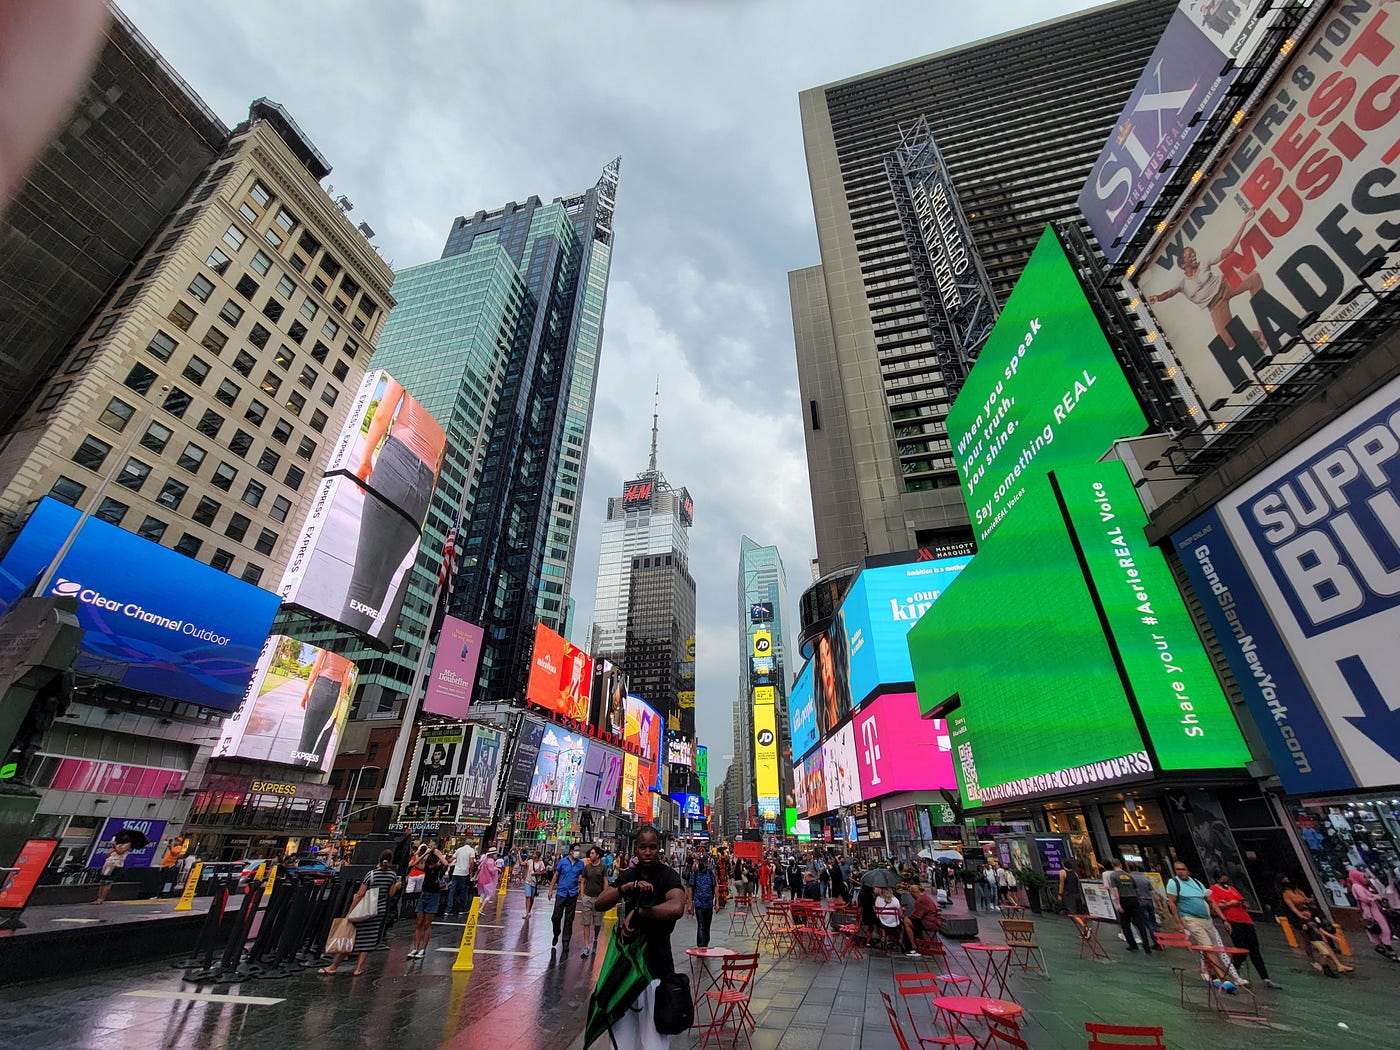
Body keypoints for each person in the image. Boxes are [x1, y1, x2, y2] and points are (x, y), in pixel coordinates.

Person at [592, 827, 686, 1050]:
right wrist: (625, 888)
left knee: (654, 1041)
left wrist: (640, 913)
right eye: (643, 847)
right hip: (624, 975)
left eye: (652, 847)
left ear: (658, 849)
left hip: (655, 972)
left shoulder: (668, 875)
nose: (647, 852)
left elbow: (677, 906)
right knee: (620, 1041)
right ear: (636, 849)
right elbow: (599, 903)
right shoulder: (628, 876)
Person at [1145, 209, 1263, 352]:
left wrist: (1244, 222)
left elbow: (1227, 251)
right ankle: (1256, 336)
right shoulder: (1182, 283)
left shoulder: (1204, 263)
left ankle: (1264, 327)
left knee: (1254, 277)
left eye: (1193, 253)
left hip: (1225, 286)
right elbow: (1169, 293)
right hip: (1215, 305)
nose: (1194, 255)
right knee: (1229, 341)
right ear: (1183, 265)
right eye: (1189, 255)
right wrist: (1157, 297)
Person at [320, 849, 401, 976]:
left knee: (350, 937)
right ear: (390, 861)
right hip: (378, 911)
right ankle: (358, 968)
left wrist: (350, 912)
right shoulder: (392, 876)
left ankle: (334, 966)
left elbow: (360, 894)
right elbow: (390, 894)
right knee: (368, 940)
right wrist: (396, 887)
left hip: (363, 910)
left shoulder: (371, 875)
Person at [1166, 860, 1243, 984]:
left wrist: (1223, 919)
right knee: (1208, 947)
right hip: (1190, 918)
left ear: (1187, 870)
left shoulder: (1196, 882)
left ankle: (1213, 976)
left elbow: (1210, 900)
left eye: (1183, 869)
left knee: (1213, 948)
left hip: (1205, 919)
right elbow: (1172, 903)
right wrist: (1179, 923)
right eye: (1178, 870)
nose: (1181, 872)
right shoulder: (1173, 883)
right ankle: (1224, 978)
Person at [1209, 872, 1281, 989]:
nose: (1225, 881)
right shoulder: (1213, 890)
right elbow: (1216, 906)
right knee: (1241, 948)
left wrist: (1241, 904)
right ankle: (1233, 968)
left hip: (1245, 920)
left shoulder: (1232, 889)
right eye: (1223, 879)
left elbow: (1241, 900)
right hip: (1232, 921)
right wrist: (1230, 904)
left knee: (1254, 949)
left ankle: (1265, 978)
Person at [1280, 876, 1353, 977]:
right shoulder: (1286, 894)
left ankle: (1338, 964)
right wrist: (1302, 917)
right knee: (1307, 940)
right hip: (1300, 919)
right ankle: (1313, 960)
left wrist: (1310, 901)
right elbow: (1292, 908)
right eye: (1285, 880)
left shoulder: (1299, 891)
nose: (1288, 881)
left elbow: (1306, 900)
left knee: (1323, 940)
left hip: (1308, 916)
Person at [1107, 858, 1155, 953]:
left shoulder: (1113, 876)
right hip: (1134, 899)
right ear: (1120, 864)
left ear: (1113, 865)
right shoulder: (1128, 875)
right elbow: (1136, 889)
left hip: (1123, 899)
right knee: (1140, 923)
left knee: (1125, 923)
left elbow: (1115, 890)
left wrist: (1118, 904)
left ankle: (1132, 945)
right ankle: (1146, 945)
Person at [1348, 867, 1397, 960]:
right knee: (1384, 930)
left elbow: (1371, 893)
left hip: (1374, 910)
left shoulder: (1361, 886)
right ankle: (1391, 952)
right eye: (1364, 877)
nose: (1366, 879)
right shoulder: (1357, 886)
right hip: (1371, 912)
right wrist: (1375, 898)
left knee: (1380, 931)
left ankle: (1384, 948)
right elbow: (1364, 898)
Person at [409, 844, 447, 959]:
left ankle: (423, 949)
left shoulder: (439, 868)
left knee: (427, 923)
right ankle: (415, 948)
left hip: (433, 895)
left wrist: (438, 854)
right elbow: (414, 864)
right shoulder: (426, 867)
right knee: (419, 922)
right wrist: (425, 853)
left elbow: (445, 864)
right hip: (424, 894)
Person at [548, 843, 586, 953]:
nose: (578, 852)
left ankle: (566, 941)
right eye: (576, 850)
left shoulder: (580, 864)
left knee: (569, 919)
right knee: (556, 917)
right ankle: (556, 933)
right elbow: (556, 875)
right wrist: (551, 889)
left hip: (572, 894)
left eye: (579, 850)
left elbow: (582, 877)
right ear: (571, 851)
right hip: (561, 892)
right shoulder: (563, 861)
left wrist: (580, 888)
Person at [579, 845, 608, 958]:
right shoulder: (587, 867)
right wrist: (582, 895)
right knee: (586, 922)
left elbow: (605, 881)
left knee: (597, 923)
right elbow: (583, 881)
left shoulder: (603, 867)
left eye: (592, 853)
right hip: (588, 897)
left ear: (597, 855)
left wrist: (605, 895)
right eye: (590, 853)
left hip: (598, 898)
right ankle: (586, 946)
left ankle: (595, 939)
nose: (590, 855)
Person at [874, 885, 919, 956]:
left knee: (881, 920)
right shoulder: (895, 900)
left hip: (882, 924)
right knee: (904, 924)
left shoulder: (878, 899)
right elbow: (900, 915)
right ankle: (900, 939)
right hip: (895, 924)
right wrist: (902, 909)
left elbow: (876, 911)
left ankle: (883, 937)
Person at [686, 853, 718, 948]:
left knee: (707, 925)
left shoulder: (710, 873)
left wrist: (717, 902)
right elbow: (690, 889)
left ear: (706, 863)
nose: (701, 864)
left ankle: (706, 943)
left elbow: (715, 886)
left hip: (708, 904)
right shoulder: (695, 874)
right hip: (698, 903)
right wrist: (690, 904)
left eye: (703, 862)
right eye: (700, 862)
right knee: (701, 925)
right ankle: (701, 945)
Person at [448, 839, 476, 916]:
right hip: (464, 872)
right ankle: (462, 908)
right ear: (471, 844)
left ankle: (448, 909)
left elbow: (452, 859)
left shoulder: (459, 849)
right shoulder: (471, 850)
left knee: (452, 890)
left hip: (456, 872)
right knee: (463, 890)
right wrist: (470, 871)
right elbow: (471, 862)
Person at [475, 847, 499, 912]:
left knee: (482, 894)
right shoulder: (491, 861)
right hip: (488, 879)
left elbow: (479, 867)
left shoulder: (484, 860)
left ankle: (478, 908)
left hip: (481, 879)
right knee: (489, 895)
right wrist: (497, 869)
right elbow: (491, 870)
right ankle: (481, 908)